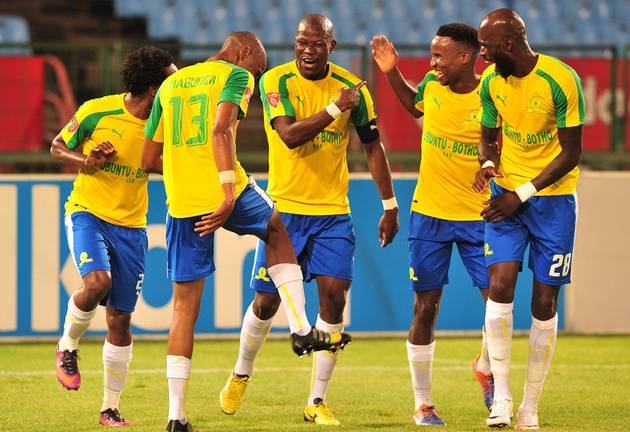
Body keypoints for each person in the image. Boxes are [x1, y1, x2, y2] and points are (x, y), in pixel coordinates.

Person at [142, 31, 350, 432]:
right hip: (227, 190)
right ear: (242, 53)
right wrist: (222, 192)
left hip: (182, 202)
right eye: (257, 67)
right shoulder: (236, 76)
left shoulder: (170, 84)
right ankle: (300, 327)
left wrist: (186, 170)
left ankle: (175, 416)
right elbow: (221, 130)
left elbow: (150, 157)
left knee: (183, 311)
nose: (256, 77)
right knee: (276, 226)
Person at [219, 15, 399, 426]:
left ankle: (316, 401)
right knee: (265, 304)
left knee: (335, 298)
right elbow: (289, 135)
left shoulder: (354, 89)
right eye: (301, 42)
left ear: (331, 47)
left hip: (333, 212)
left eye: (317, 43)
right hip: (282, 214)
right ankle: (241, 373)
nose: (307, 50)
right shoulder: (275, 82)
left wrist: (389, 204)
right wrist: (336, 106)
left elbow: (373, 147)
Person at [371, 23, 493, 426]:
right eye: (431, 53)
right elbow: (414, 104)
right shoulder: (431, 85)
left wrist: (492, 164)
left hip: (480, 215)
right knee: (425, 307)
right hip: (431, 214)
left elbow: (503, 136)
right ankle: (423, 404)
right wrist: (390, 71)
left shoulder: (491, 90)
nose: (432, 61)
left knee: (497, 306)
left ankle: (487, 366)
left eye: (440, 55)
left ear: (466, 56)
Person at [51, 47, 176, 427]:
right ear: (154, 89)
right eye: (172, 78)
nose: (178, 83)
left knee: (120, 320)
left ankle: (109, 407)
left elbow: (163, 164)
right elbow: (57, 147)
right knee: (97, 282)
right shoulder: (96, 111)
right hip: (87, 214)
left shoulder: (162, 126)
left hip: (132, 228)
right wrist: (86, 160)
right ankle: (67, 346)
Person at [474, 8, 584, 429]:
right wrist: (487, 163)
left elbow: (571, 153)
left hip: (552, 202)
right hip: (506, 198)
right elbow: (488, 134)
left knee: (544, 301)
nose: (481, 56)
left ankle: (529, 407)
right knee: (499, 286)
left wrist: (523, 194)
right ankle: (501, 397)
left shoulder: (561, 80)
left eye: (485, 48)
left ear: (508, 45)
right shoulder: (491, 83)